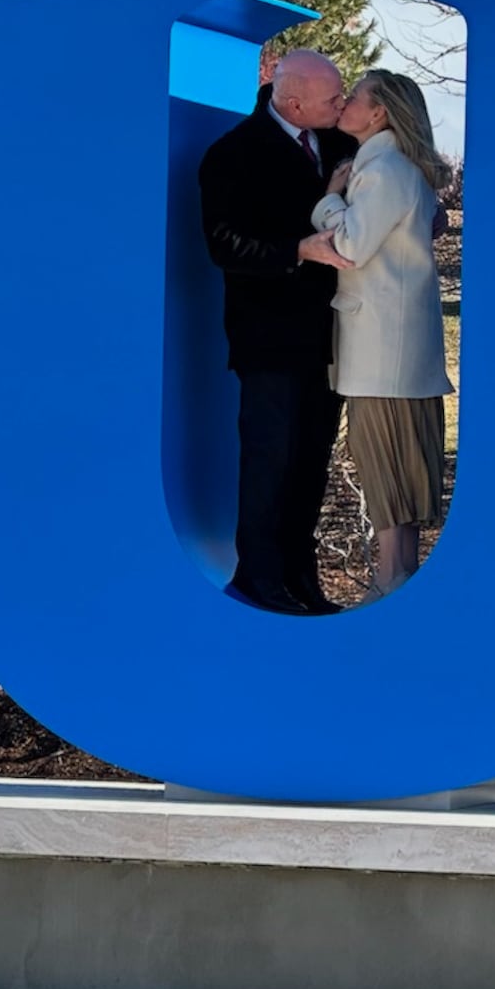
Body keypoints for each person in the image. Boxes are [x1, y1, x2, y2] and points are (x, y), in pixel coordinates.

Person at [198, 49, 355, 617]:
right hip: (268, 339)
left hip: (333, 336)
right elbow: (224, 245)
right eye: (333, 97)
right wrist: (297, 250)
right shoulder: (232, 155)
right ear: (292, 102)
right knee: (270, 460)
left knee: (312, 459)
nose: (342, 104)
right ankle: (258, 579)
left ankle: (299, 578)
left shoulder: (340, 144)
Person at [311, 69, 453, 603]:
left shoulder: (381, 170)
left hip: (382, 355)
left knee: (387, 468)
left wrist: (328, 199)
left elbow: (348, 246)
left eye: (356, 97)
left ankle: (392, 581)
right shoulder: (398, 167)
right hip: (396, 351)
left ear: (379, 113)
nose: (345, 102)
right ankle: (396, 578)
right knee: (400, 469)